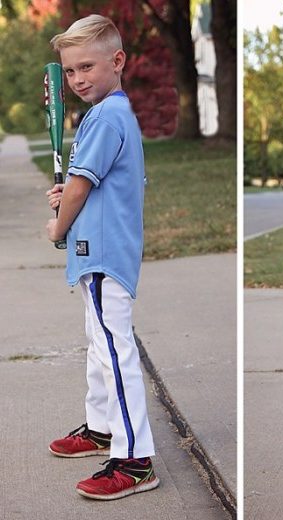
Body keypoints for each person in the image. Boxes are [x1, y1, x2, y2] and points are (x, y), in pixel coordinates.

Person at [45, 14, 159, 499]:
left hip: (105, 254)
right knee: (100, 345)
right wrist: (69, 195)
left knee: (115, 353)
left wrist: (59, 222)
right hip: (99, 251)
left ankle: (135, 461)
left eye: (87, 66)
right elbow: (91, 185)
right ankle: (101, 427)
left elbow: (83, 185)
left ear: (117, 61)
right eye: (70, 71)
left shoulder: (107, 115)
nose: (78, 79)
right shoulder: (111, 115)